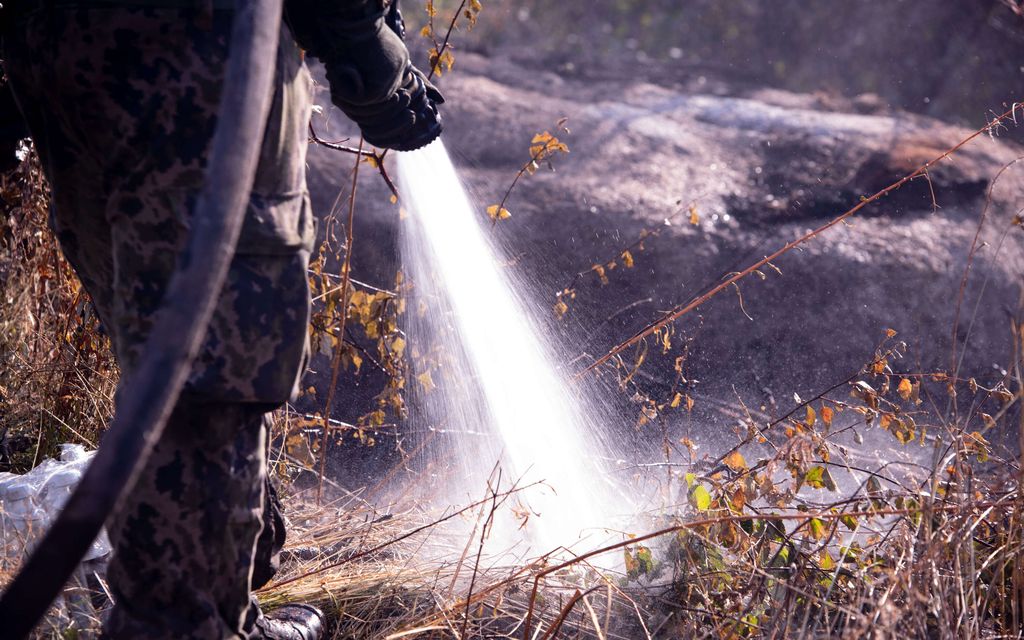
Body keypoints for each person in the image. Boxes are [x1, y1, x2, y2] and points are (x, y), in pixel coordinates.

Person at [0, 0, 442, 637]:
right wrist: (383, 74)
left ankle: (210, 599)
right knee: (209, 367)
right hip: (202, 58)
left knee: (159, 353)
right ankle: (188, 623)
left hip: (59, 53)